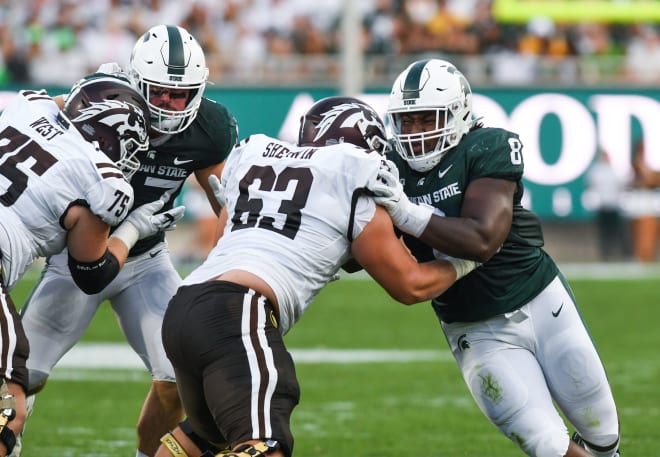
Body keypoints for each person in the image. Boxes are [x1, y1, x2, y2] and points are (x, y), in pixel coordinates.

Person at [153, 96, 480, 457]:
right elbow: (410, 284)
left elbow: (220, 247)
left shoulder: (256, 156)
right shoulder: (354, 174)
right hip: (237, 313)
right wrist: (467, 262)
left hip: (186, 307)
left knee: (202, 437)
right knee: (265, 448)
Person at [372, 59, 621, 457]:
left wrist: (405, 212)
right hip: (477, 329)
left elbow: (482, 237)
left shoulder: (486, 147)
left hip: (540, 302)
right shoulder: (386, 168)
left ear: (458, 114)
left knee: (602, 432)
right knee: (547, 445)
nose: (416, 132)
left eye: (426, 119)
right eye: (408, 121)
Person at [18, 24, 238, 457]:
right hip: (77, 259)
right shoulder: (104, 102)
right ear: (136, 82)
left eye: (181, 94)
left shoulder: (209, 127)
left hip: (148, 261)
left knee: (178, 379)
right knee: (21, 376)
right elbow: (46, 118)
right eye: (158, 93)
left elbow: (224, 203)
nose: (170, 105)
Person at [0, 74, 185, 457]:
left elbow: (60, 102)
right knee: (7, 412)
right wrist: (133, 229)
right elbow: (92, 274)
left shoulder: (27, 107)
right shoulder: (103, 180)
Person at [585, 149, 630, 261]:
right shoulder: (597, 171)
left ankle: (623, 254)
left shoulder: (613, 170)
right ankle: (606, 254)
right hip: (603, 206)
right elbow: (591, 184)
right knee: (604, 233)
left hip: (614, 205)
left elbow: (622, 184)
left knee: (618, 232)